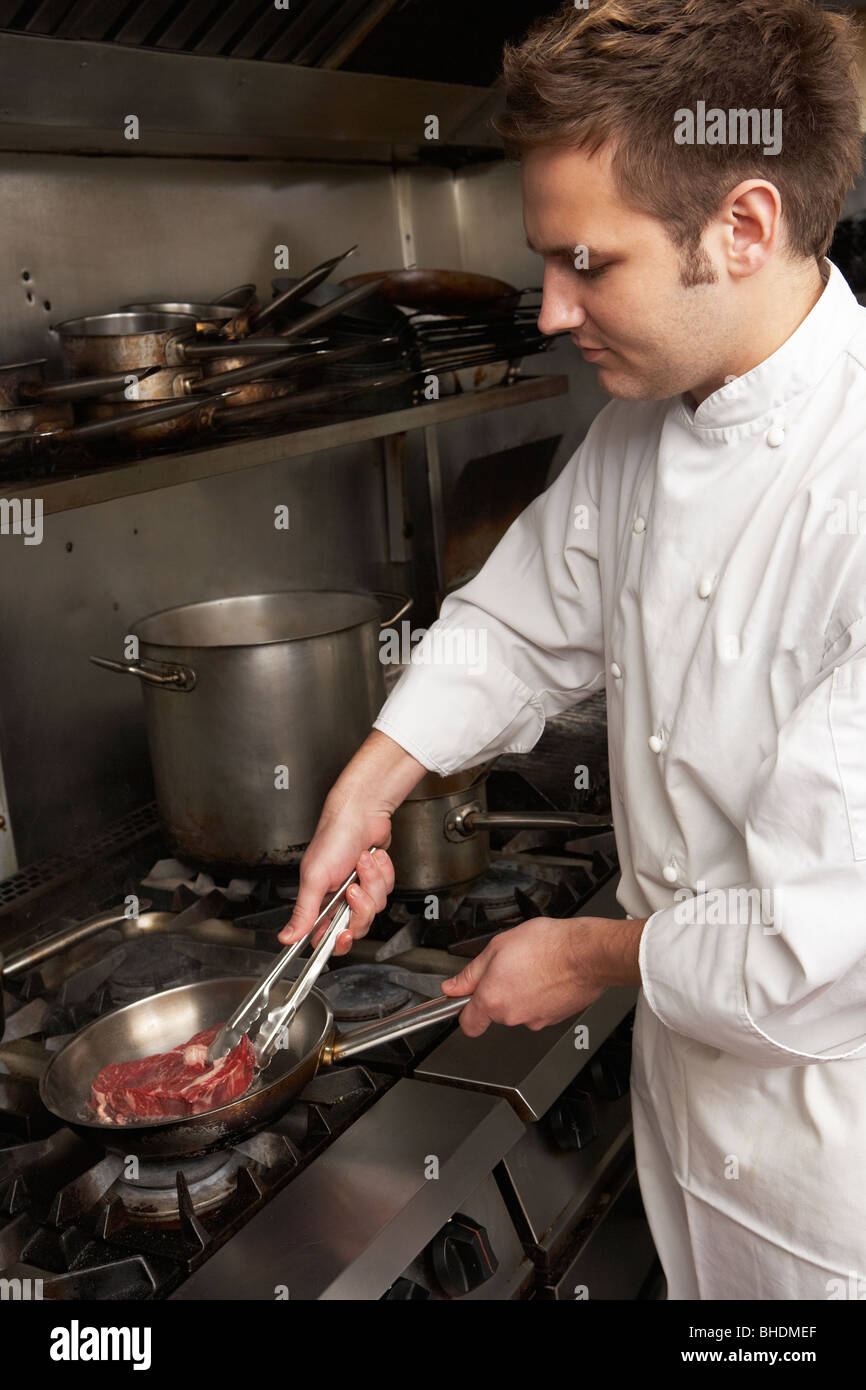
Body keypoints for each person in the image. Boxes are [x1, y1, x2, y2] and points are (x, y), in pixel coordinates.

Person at [280, 0, 866, 1299]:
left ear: (744, 227)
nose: (547, 310)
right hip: (694, 1108)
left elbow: (822, 944)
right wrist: (368, 784)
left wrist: (590, 952)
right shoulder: (652, 414)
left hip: (837, 1171)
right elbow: (519, 621)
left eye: (586, 263)